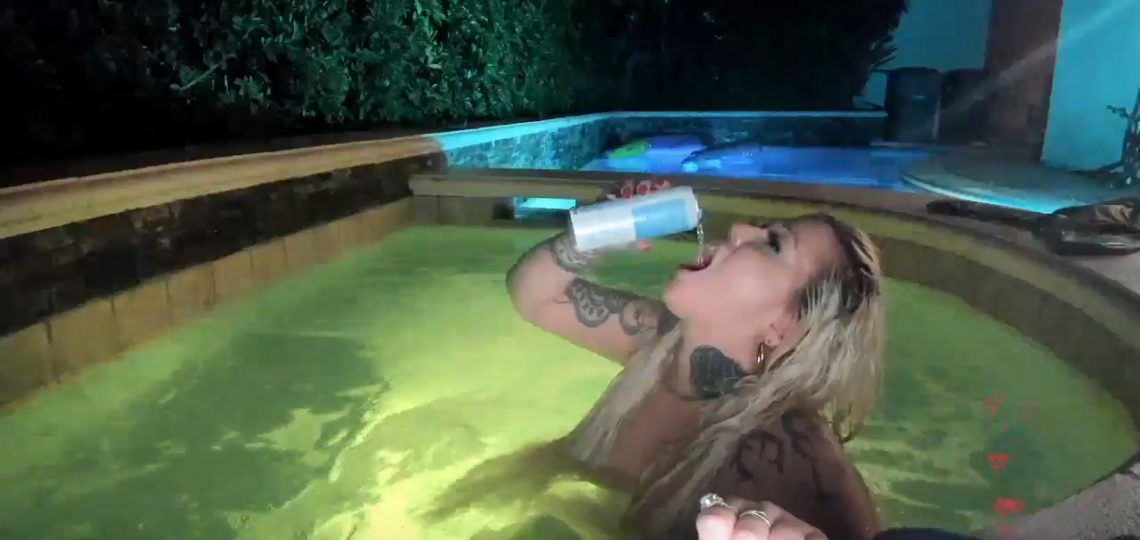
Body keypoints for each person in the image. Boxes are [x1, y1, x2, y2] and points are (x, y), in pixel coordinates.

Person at [441, 177, 885, 539]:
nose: (738, 230)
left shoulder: (789, 452)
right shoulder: (659, 339)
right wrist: (595, 235)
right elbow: (533, 295)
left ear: (783, 325)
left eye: (773, 245)